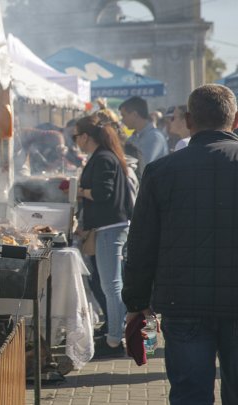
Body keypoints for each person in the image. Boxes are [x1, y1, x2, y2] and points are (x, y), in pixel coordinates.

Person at [122, 84, 238, 404]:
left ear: (188, 121)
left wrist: (135, 303)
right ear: (236, 119)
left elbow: (142, 242)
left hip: (182, 302)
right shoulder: (160, 171)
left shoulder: (161, 171)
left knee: (189, 395)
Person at [73, 114, 134, 356]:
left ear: (86, 136)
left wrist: (80, 191)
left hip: (111, 227)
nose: (75, 140)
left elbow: (102, 193)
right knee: (111, 284)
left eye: (76, 136)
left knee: (111, 285)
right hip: (108, 227)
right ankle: (114, 333)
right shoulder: (102, 157)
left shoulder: (103, 159)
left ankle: (115, 340)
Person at [119, 96, 169, 164]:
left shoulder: (154, 137)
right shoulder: (133, 138)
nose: (122, 120)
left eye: (123, 115)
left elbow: (142, 165)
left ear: (135, 114)